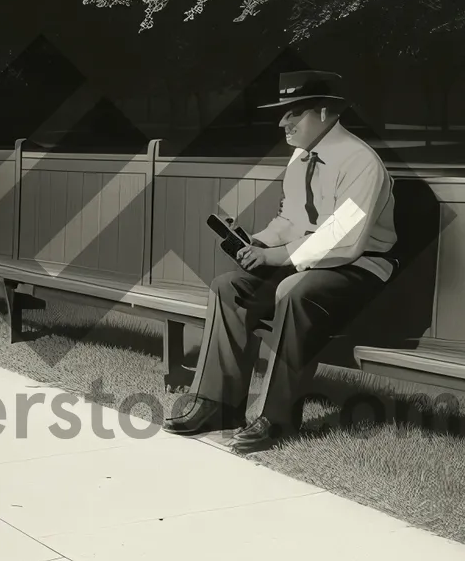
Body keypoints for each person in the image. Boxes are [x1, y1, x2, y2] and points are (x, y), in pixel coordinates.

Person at [165, 70, 398, 452]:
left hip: (362, 269)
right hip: (308, 263)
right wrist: (258, 242)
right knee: (228, 287)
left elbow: (345, 241)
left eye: (293, 113)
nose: (282, 122)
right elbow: (291, 220)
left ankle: (277, 419)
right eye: (282, 113)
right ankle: (218, 406)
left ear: (324, 112)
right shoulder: (301, 158)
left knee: (292, 289)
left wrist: (274, 256)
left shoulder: (361, 163)